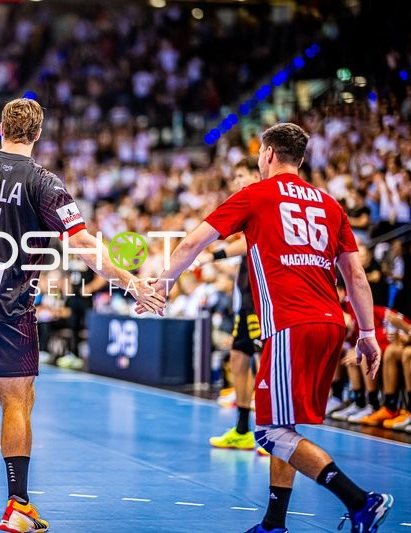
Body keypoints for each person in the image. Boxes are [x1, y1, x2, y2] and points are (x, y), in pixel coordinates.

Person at [0, 98, 163, 533]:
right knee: (17, 402)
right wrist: (130, 281)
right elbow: (84, 246)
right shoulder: (44, 182)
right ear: (38, 135)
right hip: (8, 303)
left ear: (1, 128)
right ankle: (18, 506)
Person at [145, 123, 394, 532]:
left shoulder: (256, 195)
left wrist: (164, 285)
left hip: (291, 324)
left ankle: (360, 500)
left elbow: (192, 243)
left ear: (269, 154)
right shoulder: (331, 205)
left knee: (269, 432)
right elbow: (356, 277)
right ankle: (274, 522)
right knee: (285, 425)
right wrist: (367, 335)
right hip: (331, 324)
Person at [198, 156, 268, 455]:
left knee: (265, 362)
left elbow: (247, 244)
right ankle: (242, 429)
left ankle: (270, 432)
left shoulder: (264, 200)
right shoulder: (248, 205)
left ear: (256, 174)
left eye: (241, 175)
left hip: (264, 297)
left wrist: (212, 255)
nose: (236, 182)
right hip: (246, 295)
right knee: (239, 359)